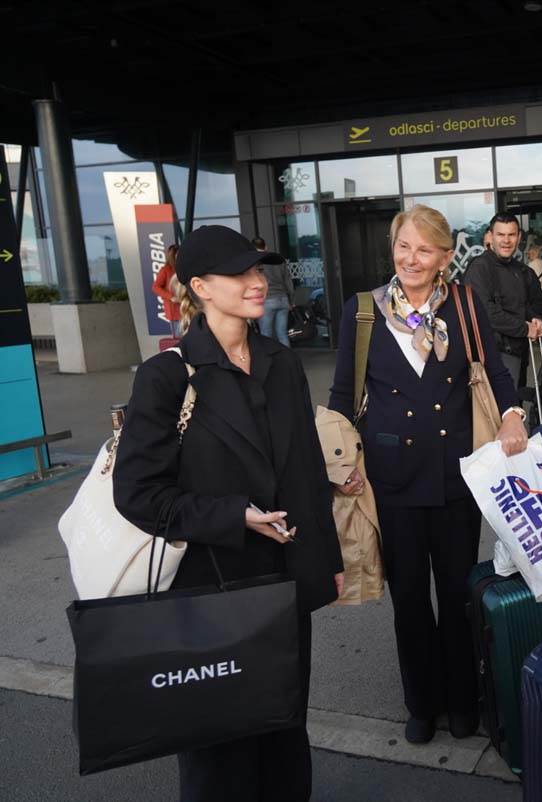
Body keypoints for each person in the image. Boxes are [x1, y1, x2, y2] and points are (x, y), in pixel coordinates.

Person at [114, 225, 345, 802]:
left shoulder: (281, 362)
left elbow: (307, 474)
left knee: (286, 726)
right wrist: (232, 514)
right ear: (200, 287)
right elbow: (138, 493)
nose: (256, 282)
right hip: (211, 587)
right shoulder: (165, 376)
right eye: (240, 273)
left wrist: (326, 560)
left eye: (259, 271)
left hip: (284, 580)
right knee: (221, 748)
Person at [327, 205, 529, 745]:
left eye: (423, 249)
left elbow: (493, 371)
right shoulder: (363, 311)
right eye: (402, 247)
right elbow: (342, 396)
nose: (410, 259)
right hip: (391, 482)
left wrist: (513, 414)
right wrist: (340, 465)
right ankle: (422, 703)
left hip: (454, 477)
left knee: (461, 597)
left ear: (444, 257)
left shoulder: (464, 304)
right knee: (410, 602)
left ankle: (463, 701)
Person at [463, 213, 542, 388]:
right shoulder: (479, 268)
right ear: (490, 236)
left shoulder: (523, 271)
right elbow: (485, 311)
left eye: (511, 234)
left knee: (517, 406)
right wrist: (525, 329)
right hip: (492, 356)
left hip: (520, 353)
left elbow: (536, 303)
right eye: (501, 235)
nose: (506, 240)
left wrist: (536, 320)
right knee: (500, 411)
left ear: (519, 237)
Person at [252, 236, 295, 346]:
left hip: (267, 300)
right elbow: (288, 281)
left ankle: (269, 362)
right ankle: (288, 361)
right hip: (283, 299)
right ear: (265, 246)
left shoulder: (256, 262)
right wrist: (291, 301)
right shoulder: (278, 260)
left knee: (266, 335)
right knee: (282, 334)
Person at [151, 243, 182, 335]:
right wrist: (171, 297)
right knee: (179, 338)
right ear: (173, 256)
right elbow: (155, 287)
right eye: (178, 255)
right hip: (175, 311)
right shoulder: (165, 270)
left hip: (187, 309)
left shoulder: (184, 268)